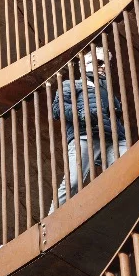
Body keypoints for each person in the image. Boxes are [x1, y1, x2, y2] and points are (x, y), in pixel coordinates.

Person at [51, 45, 127, 209]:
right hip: (87, 136)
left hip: (114, 138)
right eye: (99, 62)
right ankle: (52, 221)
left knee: (127, 168)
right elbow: (57, 109)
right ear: (85, 65)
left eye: (107, 63)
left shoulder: (107, 90)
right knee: (73, 182)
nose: (104, 67)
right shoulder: (72, 84)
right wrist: (82, 114)